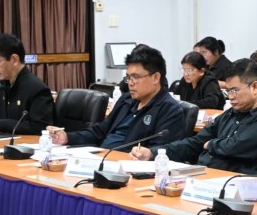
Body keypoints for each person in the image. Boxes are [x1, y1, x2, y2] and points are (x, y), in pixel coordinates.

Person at [131, 58, 257, 173]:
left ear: (255, 87)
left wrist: (210, 144)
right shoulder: (230, 114)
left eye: (234, 90)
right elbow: (194, 143)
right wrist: (153, 153)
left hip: (234, 185)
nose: (230, 97)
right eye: (228, 91)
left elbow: (237, 146)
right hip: (202, 175)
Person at [48, 44, 183, 150]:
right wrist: (67, 137)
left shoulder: (170, 110)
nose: (130, 83)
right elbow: (99, 131)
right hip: (102, 158)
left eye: (136, 77)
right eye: (128, 77)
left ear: (156, 77)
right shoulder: (126, 100)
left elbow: (159, 153)